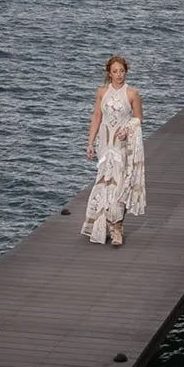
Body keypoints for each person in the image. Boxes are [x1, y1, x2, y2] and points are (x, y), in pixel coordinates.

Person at [81, 54, 146, 246]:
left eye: (122, 71)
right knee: (103, 184)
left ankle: (117, 229)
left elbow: (139, 118)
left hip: (122, 146)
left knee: (119, 186)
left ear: (126, 72)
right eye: (115, 71)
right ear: (109, 74)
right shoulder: (102, 92)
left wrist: (127, 129)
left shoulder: (132, 93)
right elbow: (96, 117)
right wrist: (90, 143)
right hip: (105, 145)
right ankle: (100, 225)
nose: (119, 75)